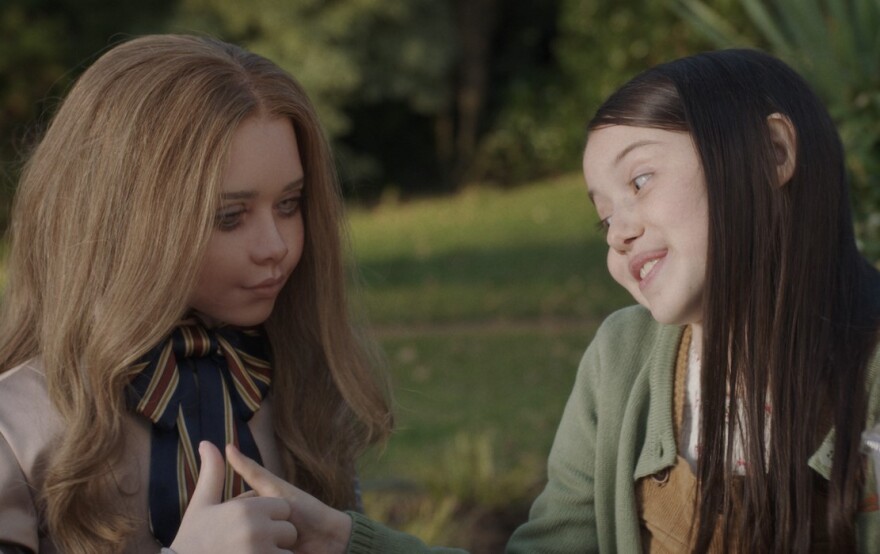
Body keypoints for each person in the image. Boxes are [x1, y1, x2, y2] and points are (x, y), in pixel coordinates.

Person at [226, 48, 880, 552]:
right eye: (602, 218)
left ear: (773, 152)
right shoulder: (623, 360)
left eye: (641, 179)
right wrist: (348, 542)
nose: (619, 229)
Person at [0, 34, 392, 553]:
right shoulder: (19, 427)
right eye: (229, 216)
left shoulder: (300, 389)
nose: (275, 246)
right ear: (121, 221)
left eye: (290, 204)